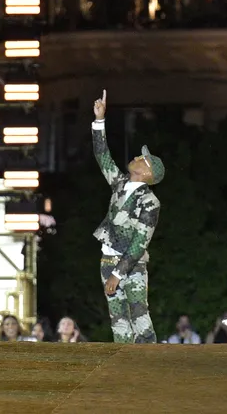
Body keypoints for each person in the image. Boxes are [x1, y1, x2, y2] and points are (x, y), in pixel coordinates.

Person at [91, 89, 164, 343]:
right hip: (107, 259)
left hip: (130, 265)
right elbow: (103, 158)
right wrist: (99, 121)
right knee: (118, 320)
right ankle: (122, 369)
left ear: (147, 174)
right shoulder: (120, 183)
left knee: (139, 315)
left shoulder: (150, 202)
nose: (136, 158)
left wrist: (117, 274)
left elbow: (139, 244)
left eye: (142, 160)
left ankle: (149, 366)